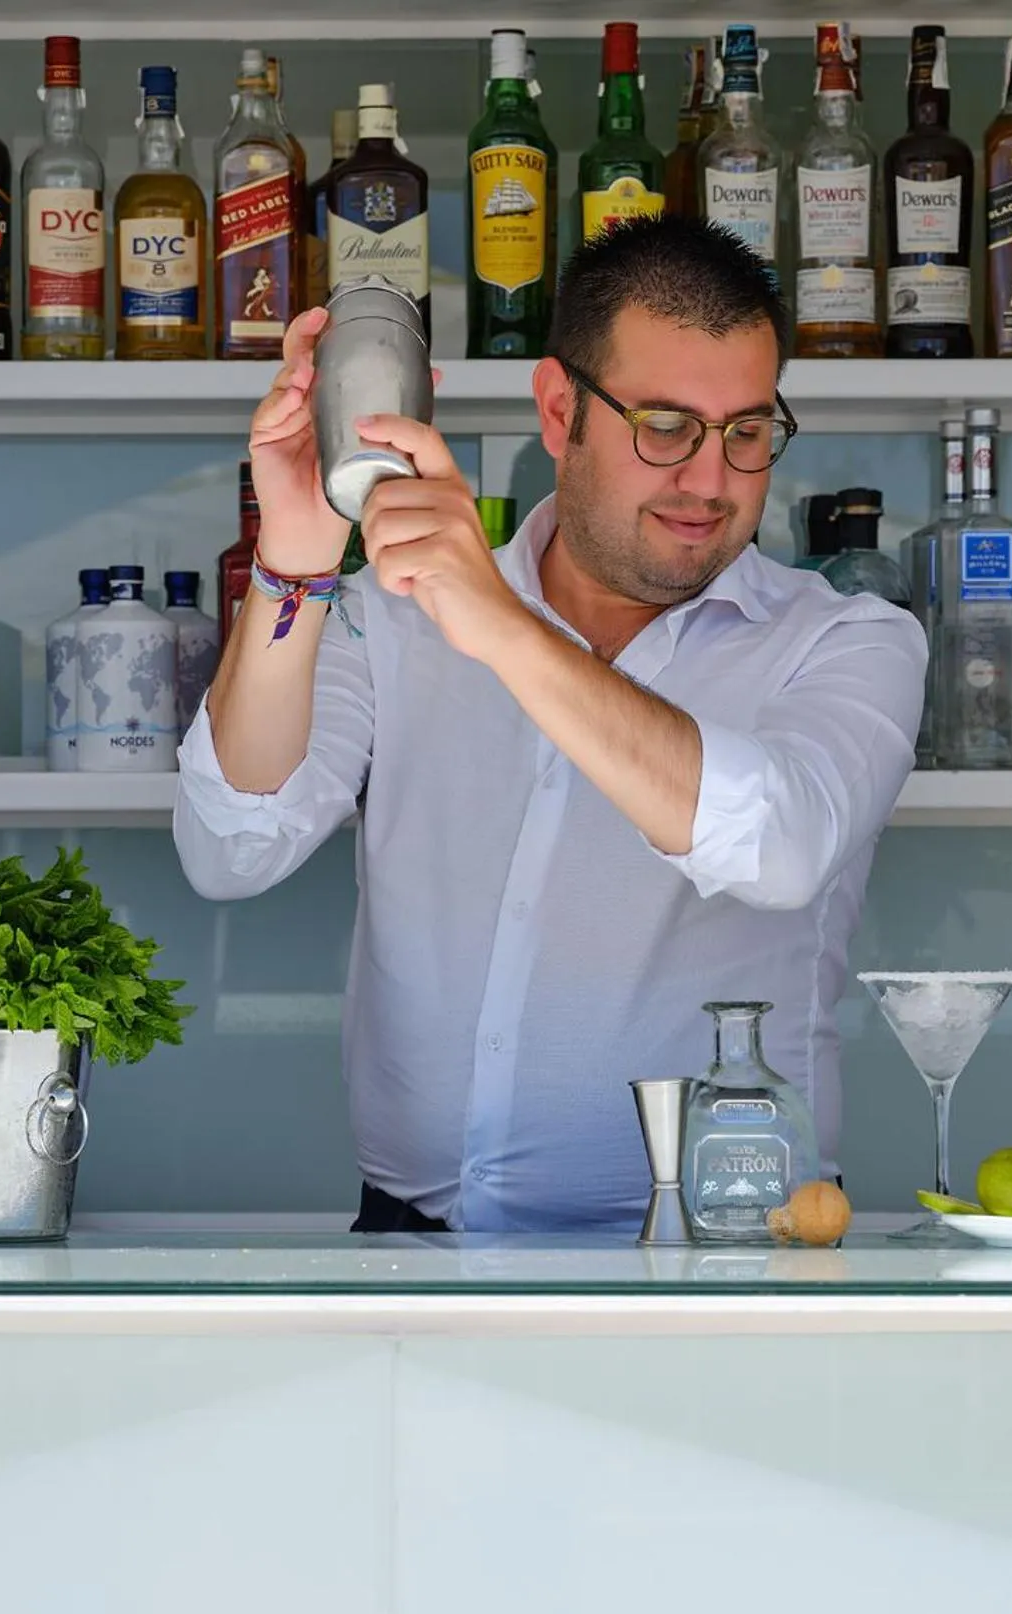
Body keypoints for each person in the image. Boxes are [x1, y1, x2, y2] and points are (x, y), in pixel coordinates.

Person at [173, 215, 925, 1233]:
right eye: (664, 426)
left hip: (729, 1261)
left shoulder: (848, 643)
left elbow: (778, 848)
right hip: (410, 1254)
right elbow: (231, 847)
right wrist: (293, 564)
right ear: (559, 408)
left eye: (745, 432)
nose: (709, 481)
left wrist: (505, 630)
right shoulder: (391, 618)